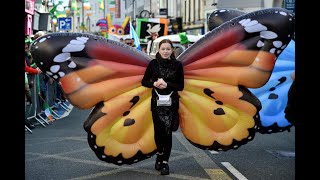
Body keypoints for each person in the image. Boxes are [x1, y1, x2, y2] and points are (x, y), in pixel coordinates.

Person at [141, 39, 184, 175]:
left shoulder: (178, 65)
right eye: (163, 49)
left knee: (167, 133)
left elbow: (181, 86)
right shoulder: (153, 64)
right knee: (158, 133)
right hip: (157, 103)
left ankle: (165, 162)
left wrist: (167, 85)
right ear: (158, 50)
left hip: (171, 104)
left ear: (172, 51)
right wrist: (154, 84)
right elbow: (144, 81)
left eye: (168, 49)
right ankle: (159, 153)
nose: (165, 51)